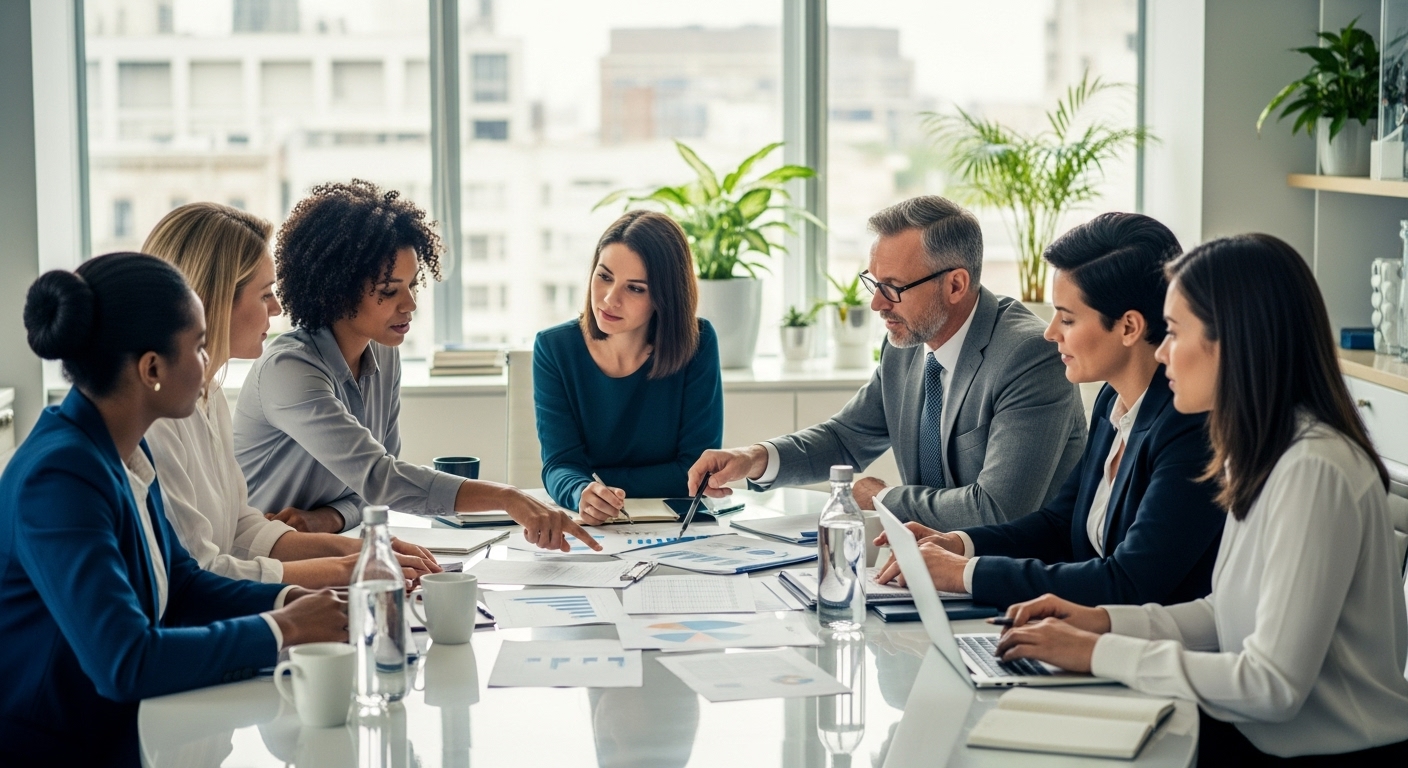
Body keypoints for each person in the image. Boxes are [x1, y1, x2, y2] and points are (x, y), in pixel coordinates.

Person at [992, 234, 1408, 764]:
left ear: (1233, 342)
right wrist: (1098, 621)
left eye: (1175, 331)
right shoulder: (1262, 450)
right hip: (1254, 738)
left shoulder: (1314, 469)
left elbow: (1272, 684)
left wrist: (1100, 653)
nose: (1161, 350)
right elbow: (1223, 616)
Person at [0, 253, 346, 766]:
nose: (209, 363)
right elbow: (125, 660)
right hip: (59, 749)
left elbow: (182, 586)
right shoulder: (61, 476)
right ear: (152, 368)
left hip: (128, 735)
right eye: (201, 347)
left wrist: (292, 597)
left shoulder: (123, 451)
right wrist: (287, 628)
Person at [874, 213, 1224, 608]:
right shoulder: (1113, 399)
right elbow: (1060, 522)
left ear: (1128, 328)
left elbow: (1128, 582)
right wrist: (961, 543)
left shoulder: (1189, 427)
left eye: (1068, 318)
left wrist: (965, 573)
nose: (1050, 331)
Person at [233, 180, 598, 552]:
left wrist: (326, 518)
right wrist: (508, 496)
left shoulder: (384, 354)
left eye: (411, 285)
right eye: (390, 291)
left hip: (322, 546)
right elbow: (382, 480)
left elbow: (375, 492)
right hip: (258, 558)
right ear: (336, 291)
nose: (410, 304)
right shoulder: (289, 370)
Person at [688, 195, 1086, 529]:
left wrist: (883, 499)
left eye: (893, 288)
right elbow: (846, 438)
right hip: (926, 565)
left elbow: (997, 510)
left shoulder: (1029, 355)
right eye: (874, 283)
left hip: (1014, 584)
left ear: (956, 285)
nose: (877, 304)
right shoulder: (906, 342)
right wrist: (755, 458)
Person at [142, 202, 440, 587]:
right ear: (213, 299)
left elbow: (242, 529)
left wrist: (362, 549)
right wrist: (346, 568)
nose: (278, 307)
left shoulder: (208, 395)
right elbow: (200, 572)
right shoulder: (158, 419)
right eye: (265, 294)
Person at [534, 210, 723, 522]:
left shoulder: (698, 343)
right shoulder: (554, 348)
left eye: (635, 288)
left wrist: (598, 478)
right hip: (594, 525)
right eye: (604, 276)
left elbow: (695, 470)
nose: (609, 299)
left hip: (676, 525)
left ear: (665, 297)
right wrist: (583, 492)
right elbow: (559, 464)